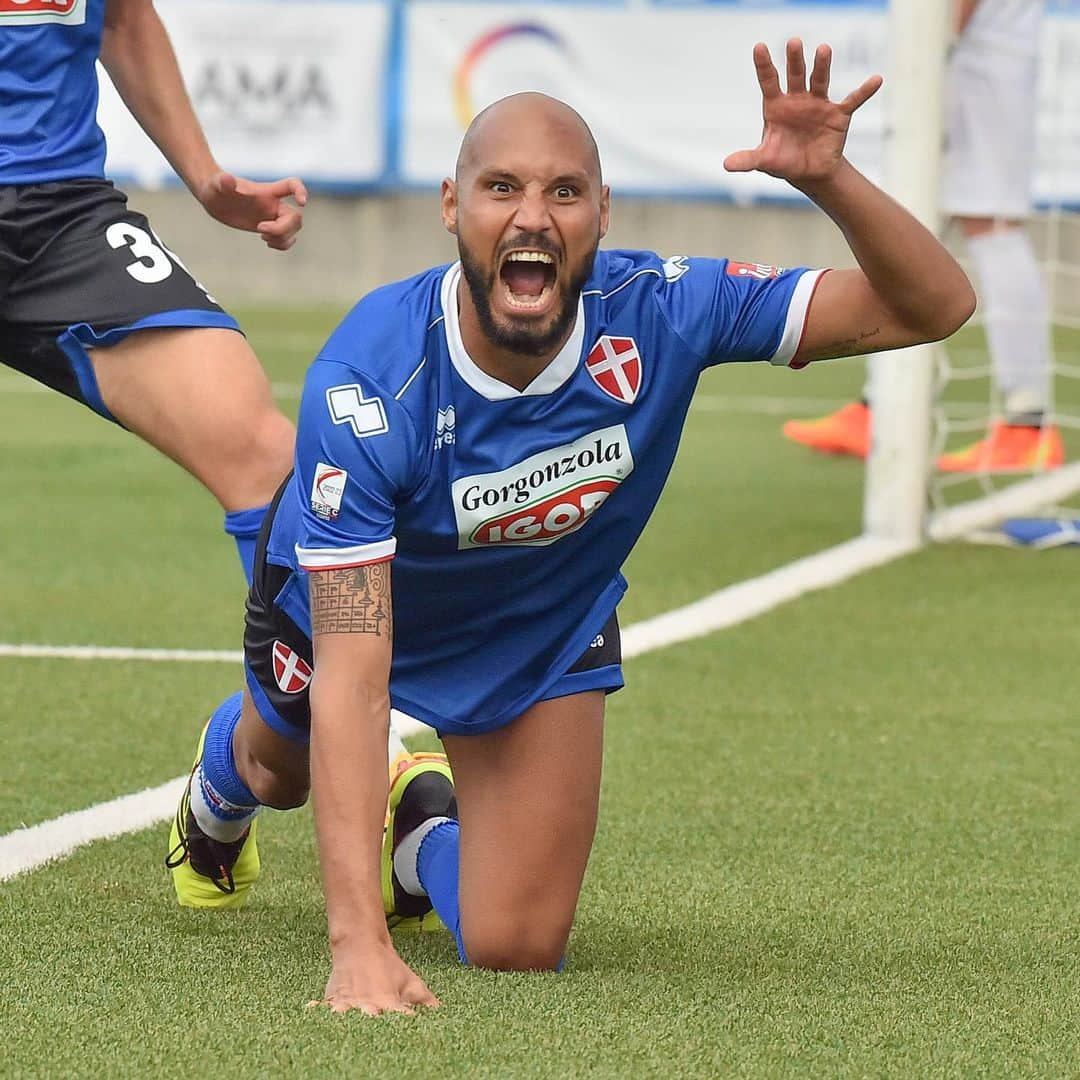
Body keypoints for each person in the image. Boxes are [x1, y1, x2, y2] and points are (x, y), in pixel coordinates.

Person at [164, 42, 975, 1016]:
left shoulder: (669, 308)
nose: (532, 216)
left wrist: (832, 181)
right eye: (501, 187)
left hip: (541, 636)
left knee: (517, 946)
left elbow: (935, 305)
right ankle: (222, 782)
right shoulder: (371, 381)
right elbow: (354, 670)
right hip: (353, 615)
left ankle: (422, 833)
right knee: (278, 767)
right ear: (452, 208)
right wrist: (356, 946)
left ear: (602, 214)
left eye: (564, 190)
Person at [0, 0, 303, 581]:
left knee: (268, 459)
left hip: (62, 218)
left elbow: (123, 18)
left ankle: (292, 675)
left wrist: (204, 176)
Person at [782, 0, 1061, 473]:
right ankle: (880, 405)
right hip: (968, 53)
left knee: (989, 221)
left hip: (976, 56)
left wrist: (936, 48)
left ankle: (1026, 423)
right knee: (919, 213)